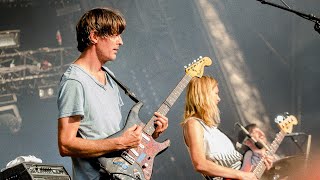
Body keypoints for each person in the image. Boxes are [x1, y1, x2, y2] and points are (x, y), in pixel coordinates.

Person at [57, 7, 168, 180]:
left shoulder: (110, 76)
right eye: (115, 35)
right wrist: (120, 142)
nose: (121, 42)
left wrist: (149, 136)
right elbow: (66, 145)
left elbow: (116, 134)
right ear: (94, 37)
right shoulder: (75, 81)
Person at [181, 76, 273, 180]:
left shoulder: (213, 129)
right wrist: (242, 175)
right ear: (204, 95)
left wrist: (259, 165)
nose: (219, 98)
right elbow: (200, 164)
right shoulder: (193, 123)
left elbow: (239, 169)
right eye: (216, 93)